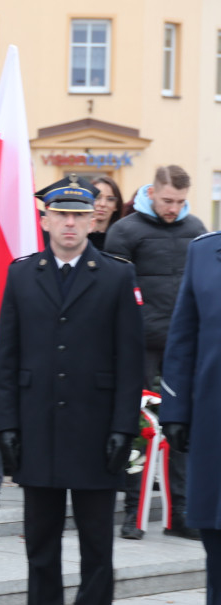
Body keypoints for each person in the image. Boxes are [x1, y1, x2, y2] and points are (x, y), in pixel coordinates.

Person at [0, 174, 143, 605]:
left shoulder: (116, 275)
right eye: (61, 214)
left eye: (79, 215)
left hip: (96, 429)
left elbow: (130, 361)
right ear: (45, 219)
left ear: (93, 219)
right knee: (41, 543)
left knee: (97, 545)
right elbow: (8, 356)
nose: (70, 224)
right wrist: (6, 425)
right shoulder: (22, 274)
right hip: (37, 426)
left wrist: (123, 427)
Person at [104, 165, 205, 542]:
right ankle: (135, 510)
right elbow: (115, 293)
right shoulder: (124, 231)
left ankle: (181, 513)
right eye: (166, 200)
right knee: (141, 430)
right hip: (139, 347)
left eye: (179, 202)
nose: (173, 209)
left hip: (183, 349)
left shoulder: (196, 229)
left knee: (181, 427)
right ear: (152, 192)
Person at [160, 230, 221, 605]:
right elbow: (183, 335)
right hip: (213, 419)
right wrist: (176, 410)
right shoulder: (204, 252)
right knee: (215, 535)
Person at [89, 176, 122, 250]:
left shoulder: (123, 239)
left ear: (116, 206)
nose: (102, 204)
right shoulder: (77, 237)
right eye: (97, 197)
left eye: (110, 199)